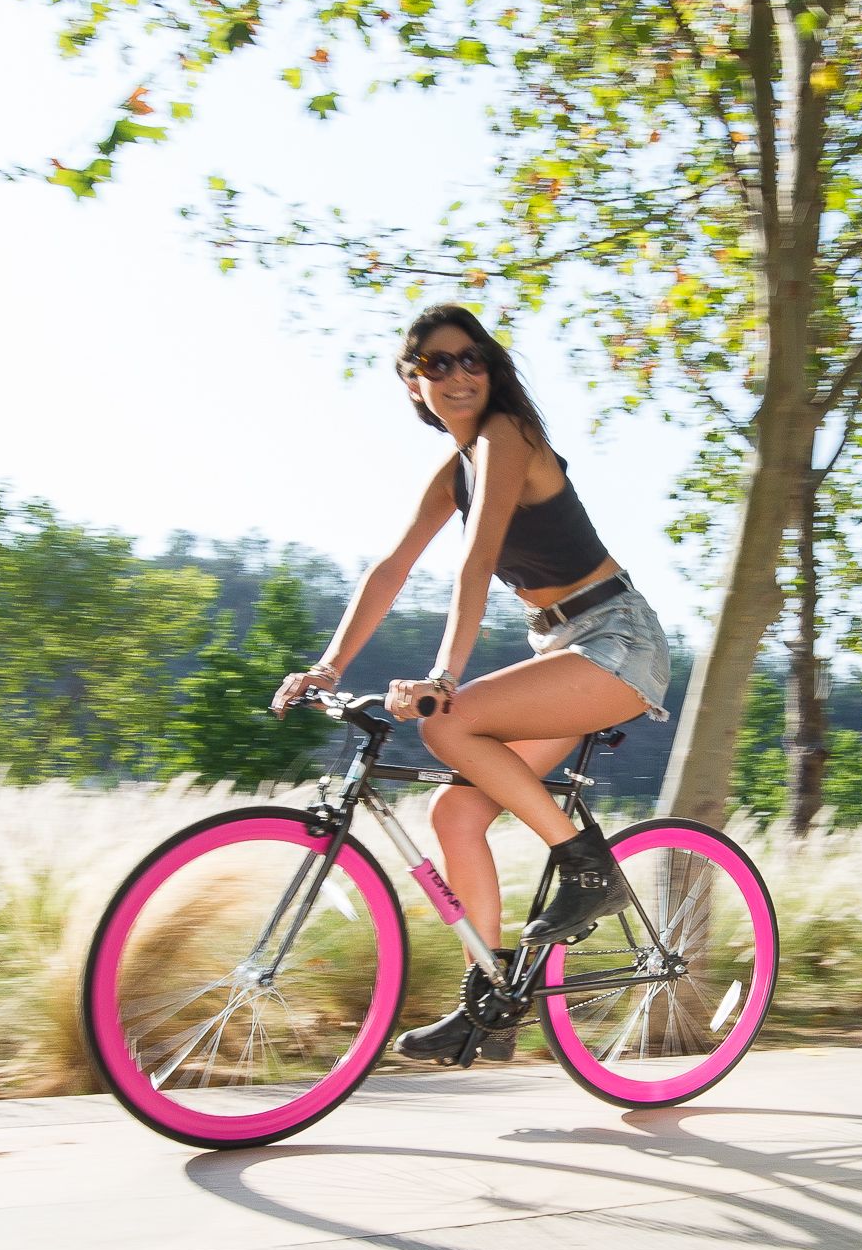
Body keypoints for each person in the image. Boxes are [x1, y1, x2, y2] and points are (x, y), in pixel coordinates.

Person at [269, 305, 673, 1064]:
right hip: (563, 644)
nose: (455, 375)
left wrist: (443, 677)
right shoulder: (453, 472)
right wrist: (328, 666)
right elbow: (389, 570)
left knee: (447, 725)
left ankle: (590, 870)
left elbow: (477, 561)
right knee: (455, 815)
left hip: (617, 640)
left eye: (470, 360)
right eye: (434, 364)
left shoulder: (507, 436)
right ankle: (489, 1006)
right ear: (412, 385)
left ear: (491, 371)